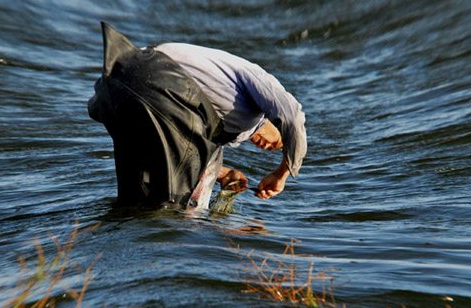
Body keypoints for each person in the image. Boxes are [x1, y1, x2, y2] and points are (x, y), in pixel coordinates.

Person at [88, 22, 307, 208]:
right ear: (272, 118)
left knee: (135, 201)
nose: (267, 147)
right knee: (173, 207)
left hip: (113, 85)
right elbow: (294, 118)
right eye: (276, 141)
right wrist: (281, 174)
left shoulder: (219, 120)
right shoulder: (258, 79)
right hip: (158, 78)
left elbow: (187, 146)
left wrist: (221, 174)